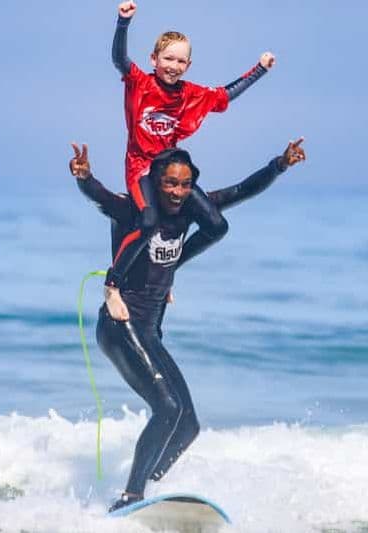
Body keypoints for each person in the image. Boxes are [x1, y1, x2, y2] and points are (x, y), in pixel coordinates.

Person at [69, 139, 306, 512]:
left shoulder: (189, 210)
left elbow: (241, 191)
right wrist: (84, 177)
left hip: (149, 331)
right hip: (120, 324)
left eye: (184, 184)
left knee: (188, 424)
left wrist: (280, 165)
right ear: (156, 182)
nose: (177, 192)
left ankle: (151, 488)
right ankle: (130, 496)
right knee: (166, 408)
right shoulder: (135, 210)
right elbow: (100, 198)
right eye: (170, 183)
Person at [105, 0, 277, 323]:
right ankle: (112, 285)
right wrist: (123, 23)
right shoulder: (140, 83)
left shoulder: (190, 94)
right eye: (168, 58)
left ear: (189, 64)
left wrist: (260, 70)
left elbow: (225, 94)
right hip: (141, 167)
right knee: (148, 222)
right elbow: (119, 59)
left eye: (181, 61)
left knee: (217, 226)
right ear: (154, 59)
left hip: (168, 168)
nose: (174, 65)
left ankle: (169, 270)